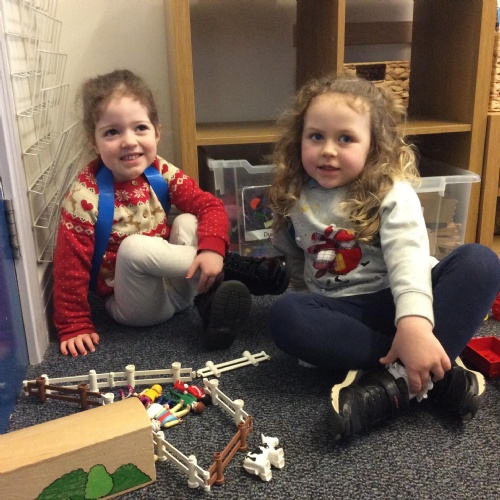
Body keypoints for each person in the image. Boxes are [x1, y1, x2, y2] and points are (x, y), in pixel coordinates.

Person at [266, 74, 500, 441]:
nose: (328, 150)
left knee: (481, 262)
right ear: (300, 140)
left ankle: (394, 383)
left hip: (404, 297)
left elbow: (409, 257)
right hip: (346, 312)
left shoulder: (392, 192)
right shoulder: (293, 193)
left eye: (346, 138)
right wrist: (311, 316)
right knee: (285, 315)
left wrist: (415, 324)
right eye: (316, 137)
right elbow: (294, 259)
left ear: (374, 146)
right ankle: (430, 372)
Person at [53, 69, 289, 357]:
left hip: (178, 291)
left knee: (189, 220)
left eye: (140, 128)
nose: (129, 141)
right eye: (112, 132)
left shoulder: (160, 172)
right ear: (94, 141)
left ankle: (208, 300)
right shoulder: (85, 197)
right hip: (134, 305)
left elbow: (209, 206)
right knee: (134, 248)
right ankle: (239, 268)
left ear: (157, 132)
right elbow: (69, 265)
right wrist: (73, 324)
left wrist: (211, 249)